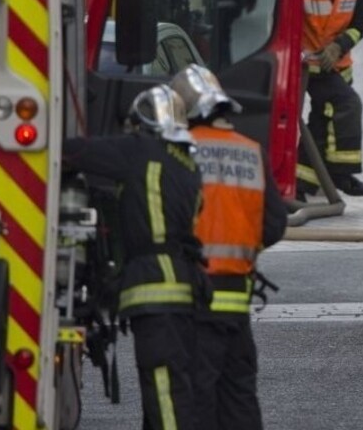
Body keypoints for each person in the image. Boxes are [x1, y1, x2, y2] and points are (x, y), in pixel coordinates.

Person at [62, 86, 206, 430]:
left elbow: (76, 152)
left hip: (154, 284)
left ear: (141, 123)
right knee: (172, 383)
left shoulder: (140, 150)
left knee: (162, 387)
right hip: (184, 284)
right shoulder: (187, 162)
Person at [170, 64, 287, 430]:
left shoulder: (182, 153)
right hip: (236, 300)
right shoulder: (252, 151)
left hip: (195, 298)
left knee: (197, 396)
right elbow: (273, 226)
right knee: (238, 396)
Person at [298, 0, 363, 199]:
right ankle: (341, 173)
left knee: (320, 120)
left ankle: (304, 182)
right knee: (347, 105)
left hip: (338, 66)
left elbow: (361, 21)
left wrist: (339, 45)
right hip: (308, 67)